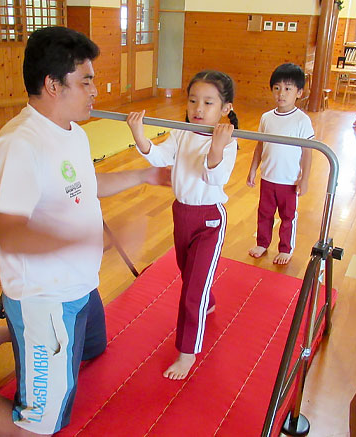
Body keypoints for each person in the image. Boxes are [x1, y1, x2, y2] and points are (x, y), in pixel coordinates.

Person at [0, 26, 170, 436]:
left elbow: (86, 187)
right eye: (86, 80)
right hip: (46, 295)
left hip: (81, 283)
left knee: (95, 348)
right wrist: (91, 240)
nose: (95, 89)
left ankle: (5, 333)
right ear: (52, 85)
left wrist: (147, 174)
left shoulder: (72, 132)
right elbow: (10, 234)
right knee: (34, 429)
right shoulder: (18, 148)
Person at [126, 70, 238, 380]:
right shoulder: (182, 132)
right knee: (188, 274)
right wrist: (139, 136)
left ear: (225, 108)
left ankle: (187, 353)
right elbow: (161, 158)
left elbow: (214, 177)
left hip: (209, 220)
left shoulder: (228, 142)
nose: (198, 109)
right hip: (181, 213)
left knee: (191, 293)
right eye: (193, 101)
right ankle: (208, 301)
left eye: (208, 103)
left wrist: (216, 146)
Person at [247, 63, 313, 265]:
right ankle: (262, 242)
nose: (281, 94)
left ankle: (285, 248)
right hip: (268, 177)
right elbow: (260, 145)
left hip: (289, 180)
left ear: (299, 92)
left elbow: (307, 152)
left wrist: (305, 178)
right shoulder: (266, 117)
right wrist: (252, 169)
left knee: (287, 217)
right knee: (264, 213)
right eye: (277, 88)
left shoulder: (302, 120)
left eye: (287, 89)